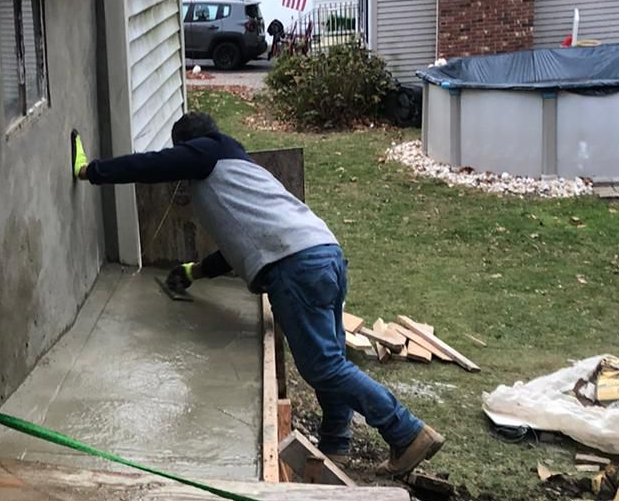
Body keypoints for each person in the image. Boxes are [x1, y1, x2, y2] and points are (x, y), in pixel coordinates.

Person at [75, 112, 443, 477]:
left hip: (295, 267)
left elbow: (148, 166)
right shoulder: (236, 170)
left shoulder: (207, 152)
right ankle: (336, 446)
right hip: (323, 253)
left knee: (323, 366)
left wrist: (91, 172)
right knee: (330, 362)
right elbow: (241, 246)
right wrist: (194, 272)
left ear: (188, 146)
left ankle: (406, 431)